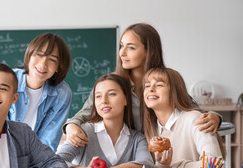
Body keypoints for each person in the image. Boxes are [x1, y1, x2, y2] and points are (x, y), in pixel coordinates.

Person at [64, 23, 221, 148]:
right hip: (128, 158)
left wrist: (215, 117)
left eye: (131, 47)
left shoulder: (165, 80)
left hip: (163, 158)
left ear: (149, 51)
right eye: (121, 46)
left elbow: (191, 109)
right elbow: (83, 114)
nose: (122, 53)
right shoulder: (111, 84)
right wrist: (70, 126)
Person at [57, 74, 154, 168]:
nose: (104, 101)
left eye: (111, 94)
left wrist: (126, 167)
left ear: (126, 99)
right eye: (98, 96)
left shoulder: (137, 138)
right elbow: (56, 161)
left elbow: (148, 165)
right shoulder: (84, 132)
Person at [142, 67, 226, 168]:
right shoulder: (153, 129)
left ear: (174, 91)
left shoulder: (195, 119)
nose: (150, 89)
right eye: (147, 86)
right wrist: (163, 166)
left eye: (159, 85)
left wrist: (176, 167)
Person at [9, 33, 72, 152]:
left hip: (33, 161)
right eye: (39, 55)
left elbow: (48, 141)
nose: (43, 64)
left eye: (52, 59)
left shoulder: (62, 93)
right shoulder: (8, 80)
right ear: (29, 55)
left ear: (58, 67)